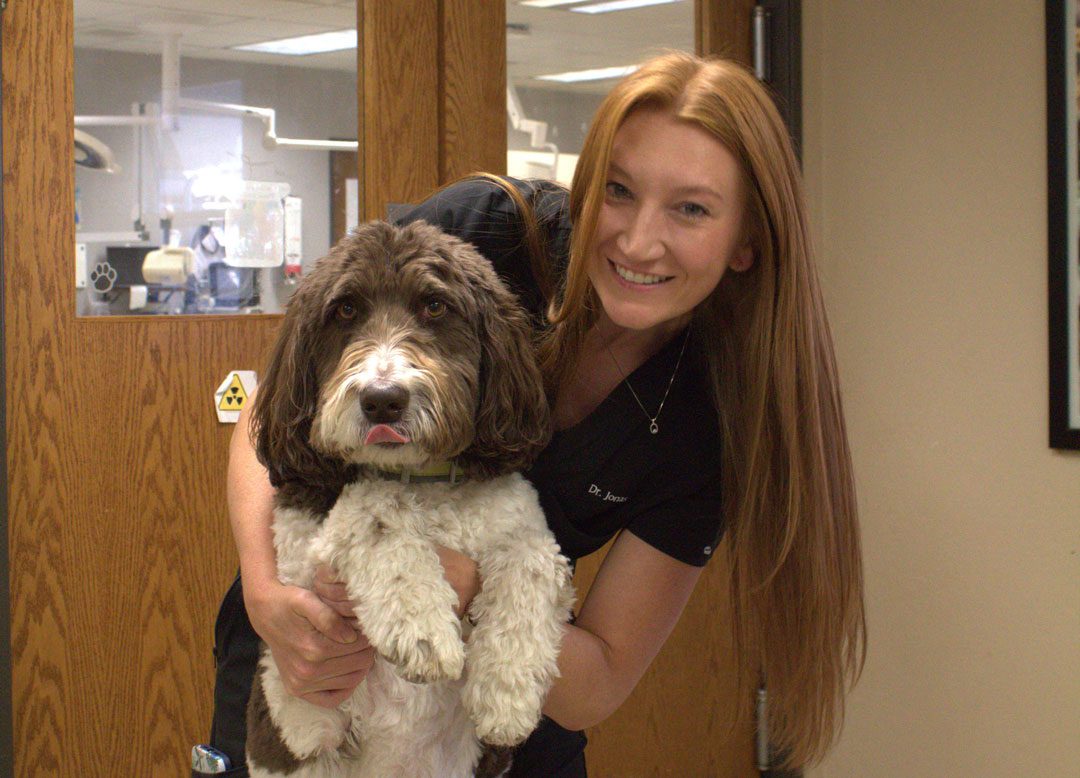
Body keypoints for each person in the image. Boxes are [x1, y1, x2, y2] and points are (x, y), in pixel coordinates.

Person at [208, 51, 865, 776]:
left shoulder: (703, 426)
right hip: (311, 660)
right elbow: (271, 418)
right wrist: (269, 594)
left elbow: (601, 677)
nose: (639, 241)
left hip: (503, 704)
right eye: (618, 191)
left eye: (691, 209)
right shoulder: (487, 235)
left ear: (747, 241)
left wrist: (471, 581)